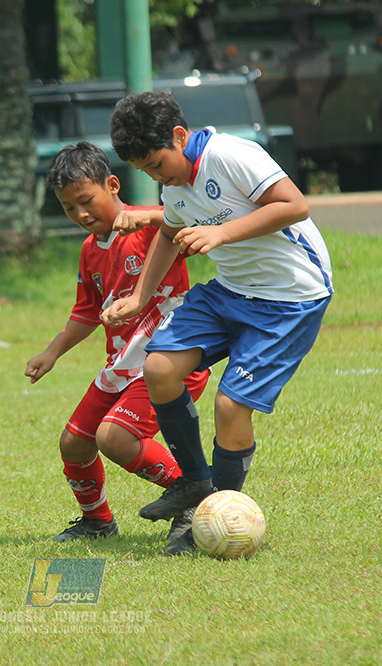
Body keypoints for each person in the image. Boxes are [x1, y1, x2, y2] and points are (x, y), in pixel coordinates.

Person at [102, 91, 334, 556]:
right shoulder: (174, 185)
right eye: (146, 171)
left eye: (156, 164)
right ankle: (194, 482)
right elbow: (169, 233)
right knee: (160, 368)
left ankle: (217, 515)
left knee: (230, 407)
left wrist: (221, 232)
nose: (156, 176)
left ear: (179, 136)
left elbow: (294, 205)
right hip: (231, 290)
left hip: (289, 297)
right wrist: (139, 297)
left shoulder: (229, 155)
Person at [25, 142, 210, 544]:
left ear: (112, 185)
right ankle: (98, 522)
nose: (80, 214)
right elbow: (86, 312)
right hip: (122, 366)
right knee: (74, 443)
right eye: (68, 208)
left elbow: (188, 218)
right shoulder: (90, 250)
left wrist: (147, 216)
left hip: (168, 360)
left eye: (86, 201)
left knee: (115, 438)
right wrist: (52, 352)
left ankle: (196, 495)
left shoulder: (151, 229)